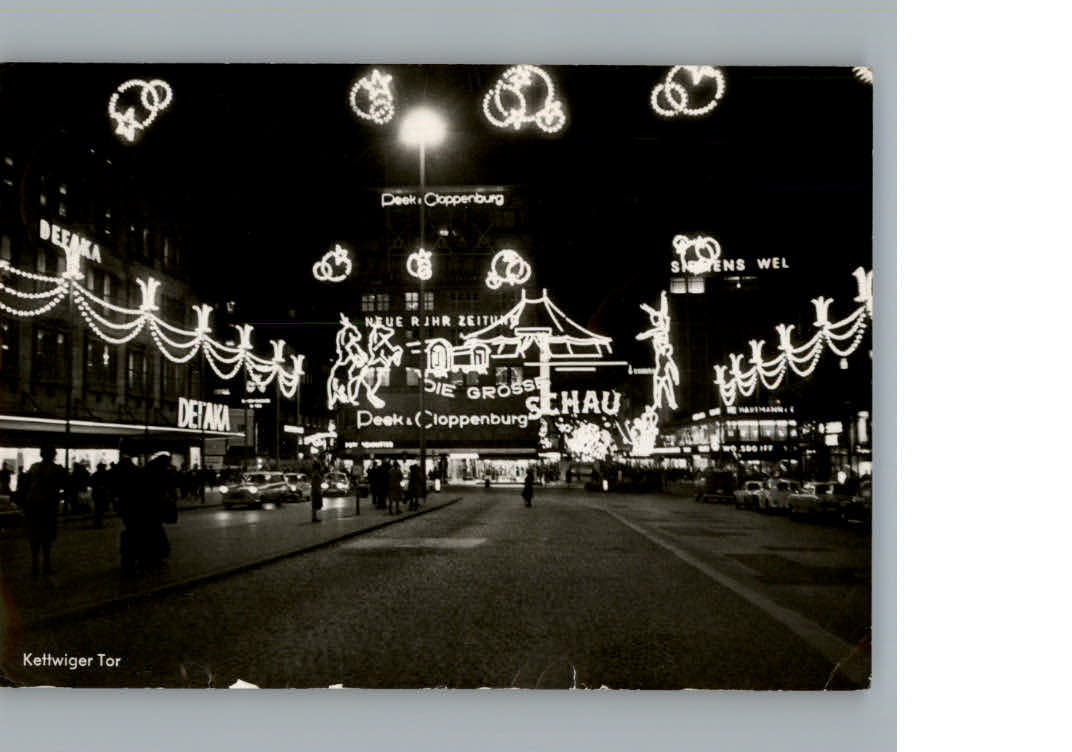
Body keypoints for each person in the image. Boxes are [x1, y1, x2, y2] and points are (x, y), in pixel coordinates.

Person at [19, 445, 66, 575]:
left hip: (33, 504)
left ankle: (34, 565)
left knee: (34, 536)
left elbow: (26, 485)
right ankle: (46, 565)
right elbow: (62, 484)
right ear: (52, 455)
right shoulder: (56, 469)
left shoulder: (34, 467)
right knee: (46, 537)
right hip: (47, 505)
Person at [90, 462, 110, 528]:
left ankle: (97, 522)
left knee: (97, 508)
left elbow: (90, 483)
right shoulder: (106, 475)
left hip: (97, 493)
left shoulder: (95, 475)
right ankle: (98, 522)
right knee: (100, 508)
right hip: (102, 493)